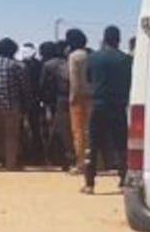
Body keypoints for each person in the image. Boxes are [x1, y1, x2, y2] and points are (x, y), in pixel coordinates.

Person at [82, 25, 133, 194]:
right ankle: (123, 181)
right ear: (119, 39)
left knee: (92, 143)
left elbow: (88, 78)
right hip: (118, 106)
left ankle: (89, 184)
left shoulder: (94, 58)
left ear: (104, 39)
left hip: (97, 105)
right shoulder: (126, 60)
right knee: (121, 145)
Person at [0, 38, 27, 170]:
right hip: (12, 105)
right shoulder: (16, 65)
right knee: (11, 137)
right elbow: (24, 86)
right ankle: (10, 164)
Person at [38, 41, 73, 169]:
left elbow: (43, 85)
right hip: (65, 99)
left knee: (52, 130)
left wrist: (41, 99)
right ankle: (66, 157)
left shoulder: (48, 65)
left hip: (52, 102)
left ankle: (53, 158)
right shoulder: (66, 63)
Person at [66, 29, 92, 176]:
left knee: (78, 132)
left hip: (79, 97)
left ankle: (81, 163)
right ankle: (94, 161)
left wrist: (72, 98)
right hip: (92, 96)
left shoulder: (74, 57)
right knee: (90, 131)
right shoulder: (90, 54)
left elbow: (74, 80)